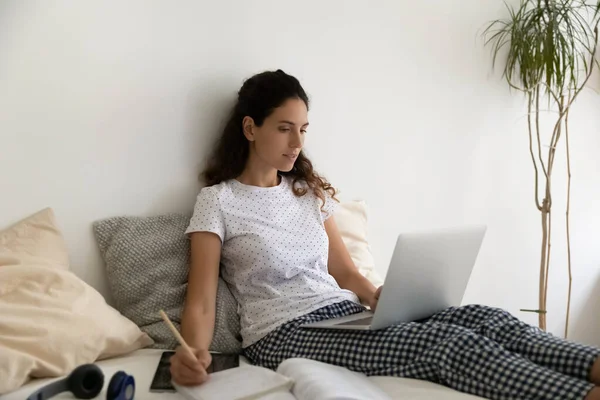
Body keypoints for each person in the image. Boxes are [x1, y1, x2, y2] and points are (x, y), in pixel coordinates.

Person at [169, 69, 600, 400]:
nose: (297, 141)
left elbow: (345, 272)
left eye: (302, 129)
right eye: (284, 128)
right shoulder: (219, 201)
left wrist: (379, 295)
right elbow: (202, 300)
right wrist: (192, 352)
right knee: (450, 345)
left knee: (486, 318)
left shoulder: (306, 191)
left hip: (344, 314)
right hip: (283, 332)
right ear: (250, 128)